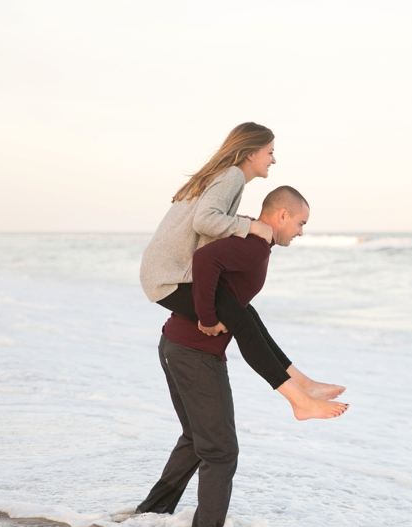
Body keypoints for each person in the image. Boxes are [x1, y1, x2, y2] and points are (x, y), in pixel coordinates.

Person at [137, 186, 345, 527]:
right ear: (281, 215)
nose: (301, 232)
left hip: (177, 347)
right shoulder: (252, 245)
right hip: (194, 354)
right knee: (221, 452)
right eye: (300, 223)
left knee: (196, 439)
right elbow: (204, 262)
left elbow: (241, 311)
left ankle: (149, 516)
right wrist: (205, 317)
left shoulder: (252, 238)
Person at [140, 122, 346, 420]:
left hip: (165, 271)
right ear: (250, 153)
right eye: (270, 152)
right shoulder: (232, 176)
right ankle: (298, 401)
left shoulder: (224, 176)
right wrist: (251, 226)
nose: (273, 160)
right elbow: (205, 221)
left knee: (247, 315)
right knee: (243, 323)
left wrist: (245, 221)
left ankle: (303, 385)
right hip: (169, 277)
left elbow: (211, 218)